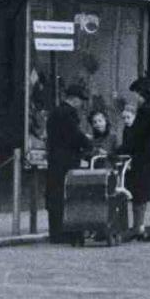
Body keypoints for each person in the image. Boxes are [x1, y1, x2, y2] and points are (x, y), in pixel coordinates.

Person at [121, 77, 150, 241]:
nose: (135, 98)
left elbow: (137, 134)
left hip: (143, 154)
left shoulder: (144, 111)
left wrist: (120, 150)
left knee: (139, 190)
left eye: (136, 94)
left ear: (141, 94)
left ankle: (137, 228)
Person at [44, 83, 91, 244]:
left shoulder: (55, 112)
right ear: (75, 99)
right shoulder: (69, 113)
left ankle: (55, 232)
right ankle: (65, 231)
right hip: (67, 160)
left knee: (55, 194)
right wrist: (89, 144)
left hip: (54, 158)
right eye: (81, 100)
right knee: (66, 194)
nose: (81, 104)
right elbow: (75, 135)